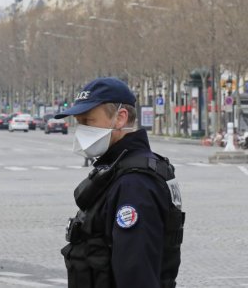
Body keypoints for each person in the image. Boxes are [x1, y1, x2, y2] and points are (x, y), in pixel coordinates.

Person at [56, 77, 185, 288]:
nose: (80, 130)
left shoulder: (135, 183)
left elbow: (136, 273)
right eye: (78, 122)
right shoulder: (119, 169)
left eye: (87, 121)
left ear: (120, 118)